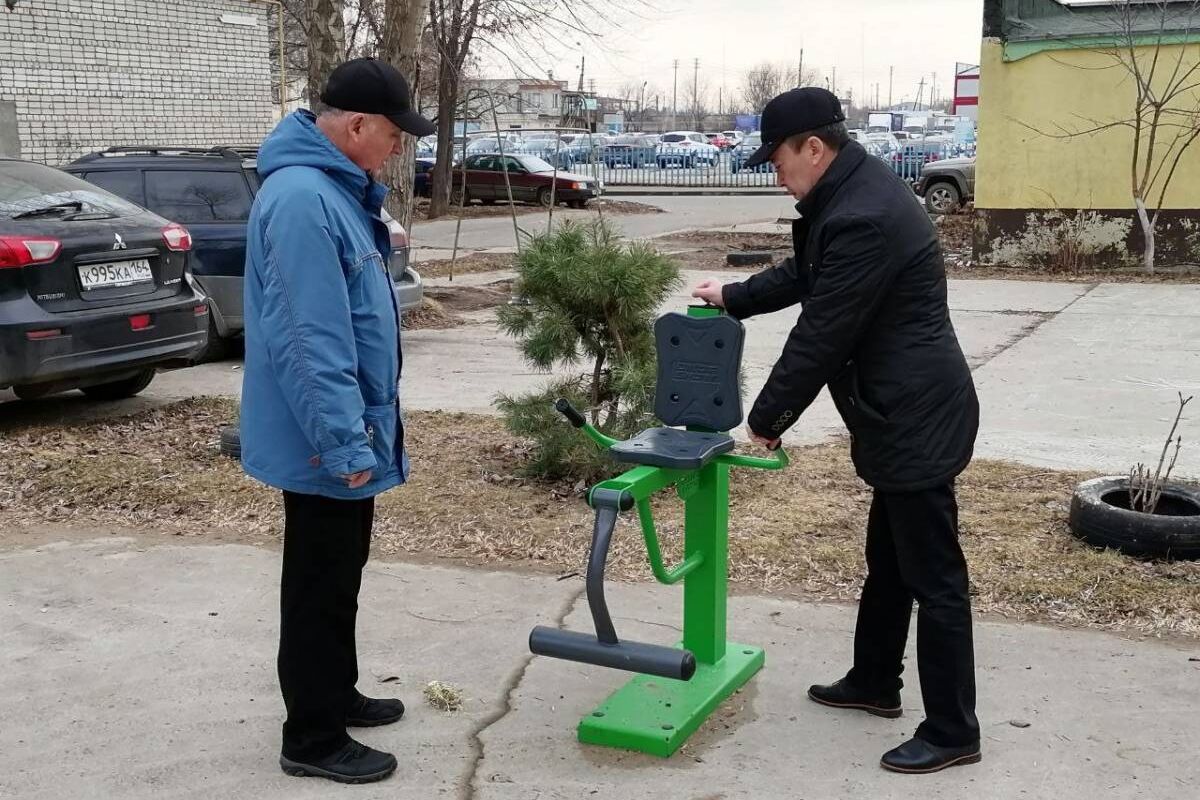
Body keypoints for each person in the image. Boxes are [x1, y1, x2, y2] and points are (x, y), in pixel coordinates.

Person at [692, 87, 982, 775]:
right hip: (897, 411)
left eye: (779, 159)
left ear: (814, 148)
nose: (775, 172)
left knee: (935, 578)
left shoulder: (863, 216)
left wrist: (765, 421)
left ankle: (952, 729)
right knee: (891, 559)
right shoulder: (852, 197)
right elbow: (810, 276)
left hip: (913, 415)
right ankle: (875, 681)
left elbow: (824, 331)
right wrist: (735, 297)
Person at [240, 57, 435, 785]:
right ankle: (312, 737)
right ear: (355, 126)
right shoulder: (301, 200)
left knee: (340, 573)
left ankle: (335, 692)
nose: (397, 147)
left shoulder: (333, 192)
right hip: (322, 440)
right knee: (318, 583)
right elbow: (307, 337)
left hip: (344, 429)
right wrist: (344, 440)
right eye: (392, 135)